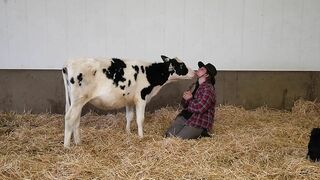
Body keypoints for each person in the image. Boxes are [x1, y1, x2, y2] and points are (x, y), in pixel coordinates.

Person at [165, 61, 217, 139]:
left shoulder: (208, 89)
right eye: (200, 68)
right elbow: (185, 105)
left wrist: (189, 99)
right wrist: (185, 98)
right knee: (169, 136)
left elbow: (200, 108)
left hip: (199, 121)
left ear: (206, 74)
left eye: (202, 69)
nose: (199, 69)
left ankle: (203, 132)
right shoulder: (194, 85)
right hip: (186, 116)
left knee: (178, 139)